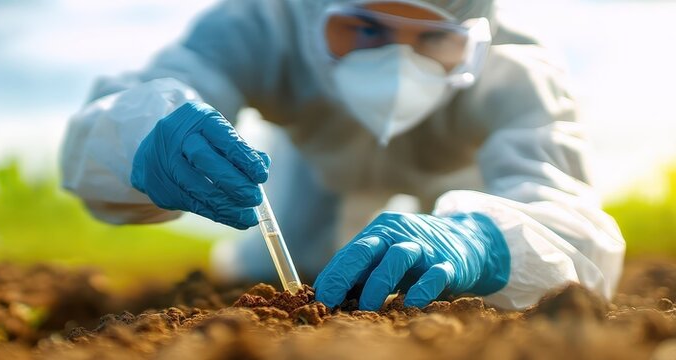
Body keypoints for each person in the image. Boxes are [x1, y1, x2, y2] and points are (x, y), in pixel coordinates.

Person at [60, 0, 625, 311]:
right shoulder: (265, 23)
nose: (399, 68)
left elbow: (566, 212)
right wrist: (145, 134)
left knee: (446, 273)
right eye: (365, 28)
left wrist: (484, 239)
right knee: (289, 263)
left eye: (433, 39)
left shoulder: (516, 67)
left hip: (465, 183)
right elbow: (126, 108)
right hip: (316, 167)